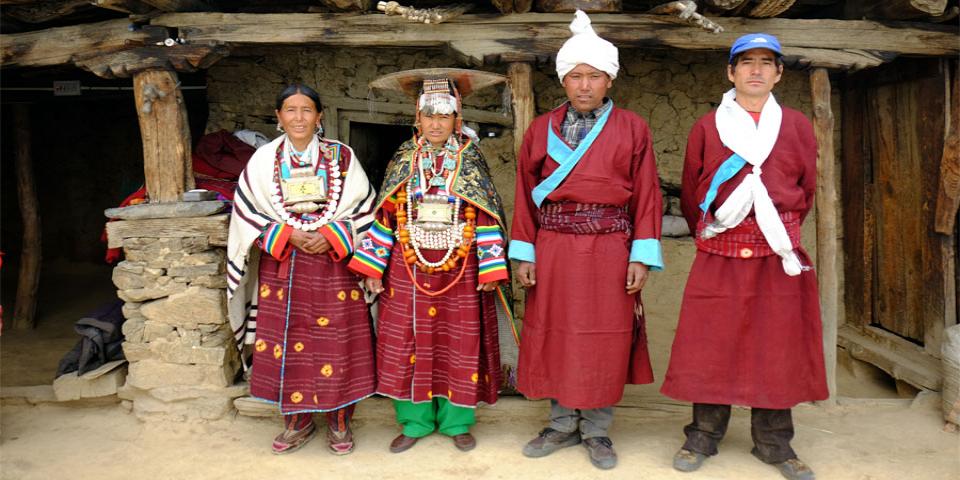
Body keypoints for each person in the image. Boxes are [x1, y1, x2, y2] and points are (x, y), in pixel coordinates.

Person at [659, 33, 828, 480]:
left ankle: (774, 445)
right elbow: (694, 192)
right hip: (722, 249)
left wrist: (775, 228)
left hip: (777, 250)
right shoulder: (707, 126)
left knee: (777, 348)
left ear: (778, 73)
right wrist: (722, 227)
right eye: (746, 62)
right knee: (710, 344)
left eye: (766, 63)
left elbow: (805, 189)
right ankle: (702, 437)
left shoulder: (795, 126)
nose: (756, 70)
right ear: (730, 72)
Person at [509, 10, 664, 470]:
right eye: (574, 76)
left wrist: (641, 254)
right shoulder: (541, 129)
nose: (583, 85)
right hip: (554, 244)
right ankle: (560, 423)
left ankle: (596, 429)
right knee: (555, 332)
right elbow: (523, 193)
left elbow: (648, 195)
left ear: (609, 80)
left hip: (610, 248)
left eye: (593, 76)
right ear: (563, 80)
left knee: (604, 337)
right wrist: (525, 252)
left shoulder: (633, 128)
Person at [349, 68, 514, 454]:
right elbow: (386, 214)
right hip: (406, 269)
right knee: (406, 342)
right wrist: (373, 266)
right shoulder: (404, 159)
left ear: (457, 118)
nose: (436, 123)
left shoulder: (471, 159)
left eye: (444, 115)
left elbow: (486, 213)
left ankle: (457, 421)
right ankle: (415, 422)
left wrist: (490, 267)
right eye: (429, 115)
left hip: (462, 269)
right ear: (416, 118)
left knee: (460, 343)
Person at [226, 83, 377, 455]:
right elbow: (246, 210)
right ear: (278, 117)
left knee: (339, 342)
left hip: (335, 266)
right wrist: (288, 234)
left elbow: (365, 207)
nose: (298, 117)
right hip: (284, 266)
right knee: (284, 345)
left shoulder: (342, 158)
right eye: (290, 110)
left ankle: (340, 424)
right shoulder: (262, 160)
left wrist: (332, 233)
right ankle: (297, 422)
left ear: (319, 116)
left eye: (306, 110)